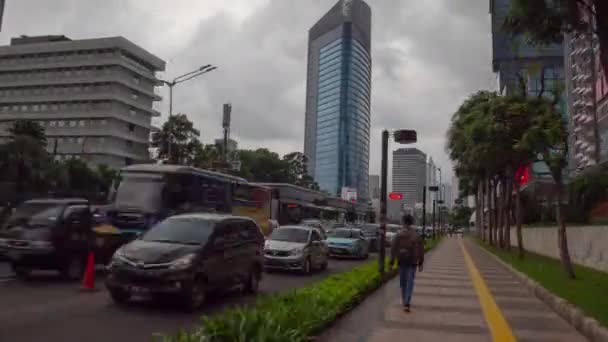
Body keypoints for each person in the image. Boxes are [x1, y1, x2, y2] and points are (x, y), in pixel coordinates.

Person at [390, 214, 424, 312]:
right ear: (412, 222)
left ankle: (404, 300)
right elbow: (421, 250)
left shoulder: (398, 234)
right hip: (412, 262)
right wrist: (421, 263)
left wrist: (391, 263)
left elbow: (393, 249)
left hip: (401, 261)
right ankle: (407, 302)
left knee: (403, 282)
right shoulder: (416, 235)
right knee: (410, 282)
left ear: (403, 222)